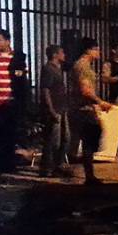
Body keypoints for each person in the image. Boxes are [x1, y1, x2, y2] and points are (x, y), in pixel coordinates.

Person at [70, 38, 113, 185]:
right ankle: (89, 176)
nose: (98, 52)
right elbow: (85, 90)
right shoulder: (83, 67)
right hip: (84, 110)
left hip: (85, 108)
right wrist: (100, 102)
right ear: (89, 50)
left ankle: (89, 174)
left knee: (92, 139)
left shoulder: (83, 65)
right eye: (96, 49)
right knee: (91, 140)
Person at [40, 45, 72, 177]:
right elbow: (46, 90)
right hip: (55, 109)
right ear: (55, 55)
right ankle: (48, 168)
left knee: (65, 138)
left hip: (61, 108)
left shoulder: (57, 69)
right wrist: (51, 110)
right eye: (62, 52)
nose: (64, 55)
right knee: (54, 140)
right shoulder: (48, 69)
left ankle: (58, 165)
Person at [0, 29, 17, 173]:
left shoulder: (16, 58)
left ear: (7, 41)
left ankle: (9, 164)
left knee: (9, 135)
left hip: (10, 104)